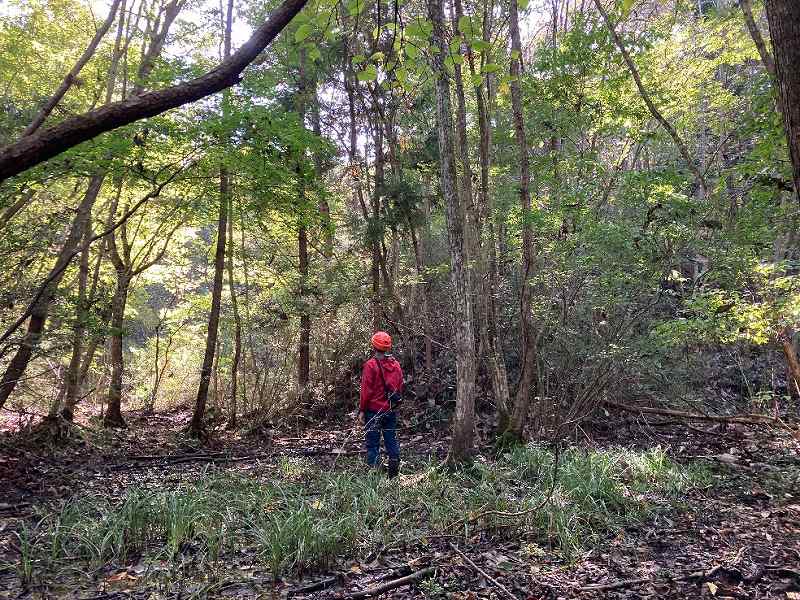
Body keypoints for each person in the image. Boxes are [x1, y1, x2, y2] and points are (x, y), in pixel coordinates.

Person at [359, 331, 403, 477]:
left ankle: (375, 475)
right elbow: (399, 386)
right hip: (390, 410)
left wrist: (362, 410)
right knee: (391, 439)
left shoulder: (370, 365)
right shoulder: (396, 365)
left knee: (372, 443)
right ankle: (394, 471)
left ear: (373, 346)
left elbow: (366, 391)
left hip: (373, 410)